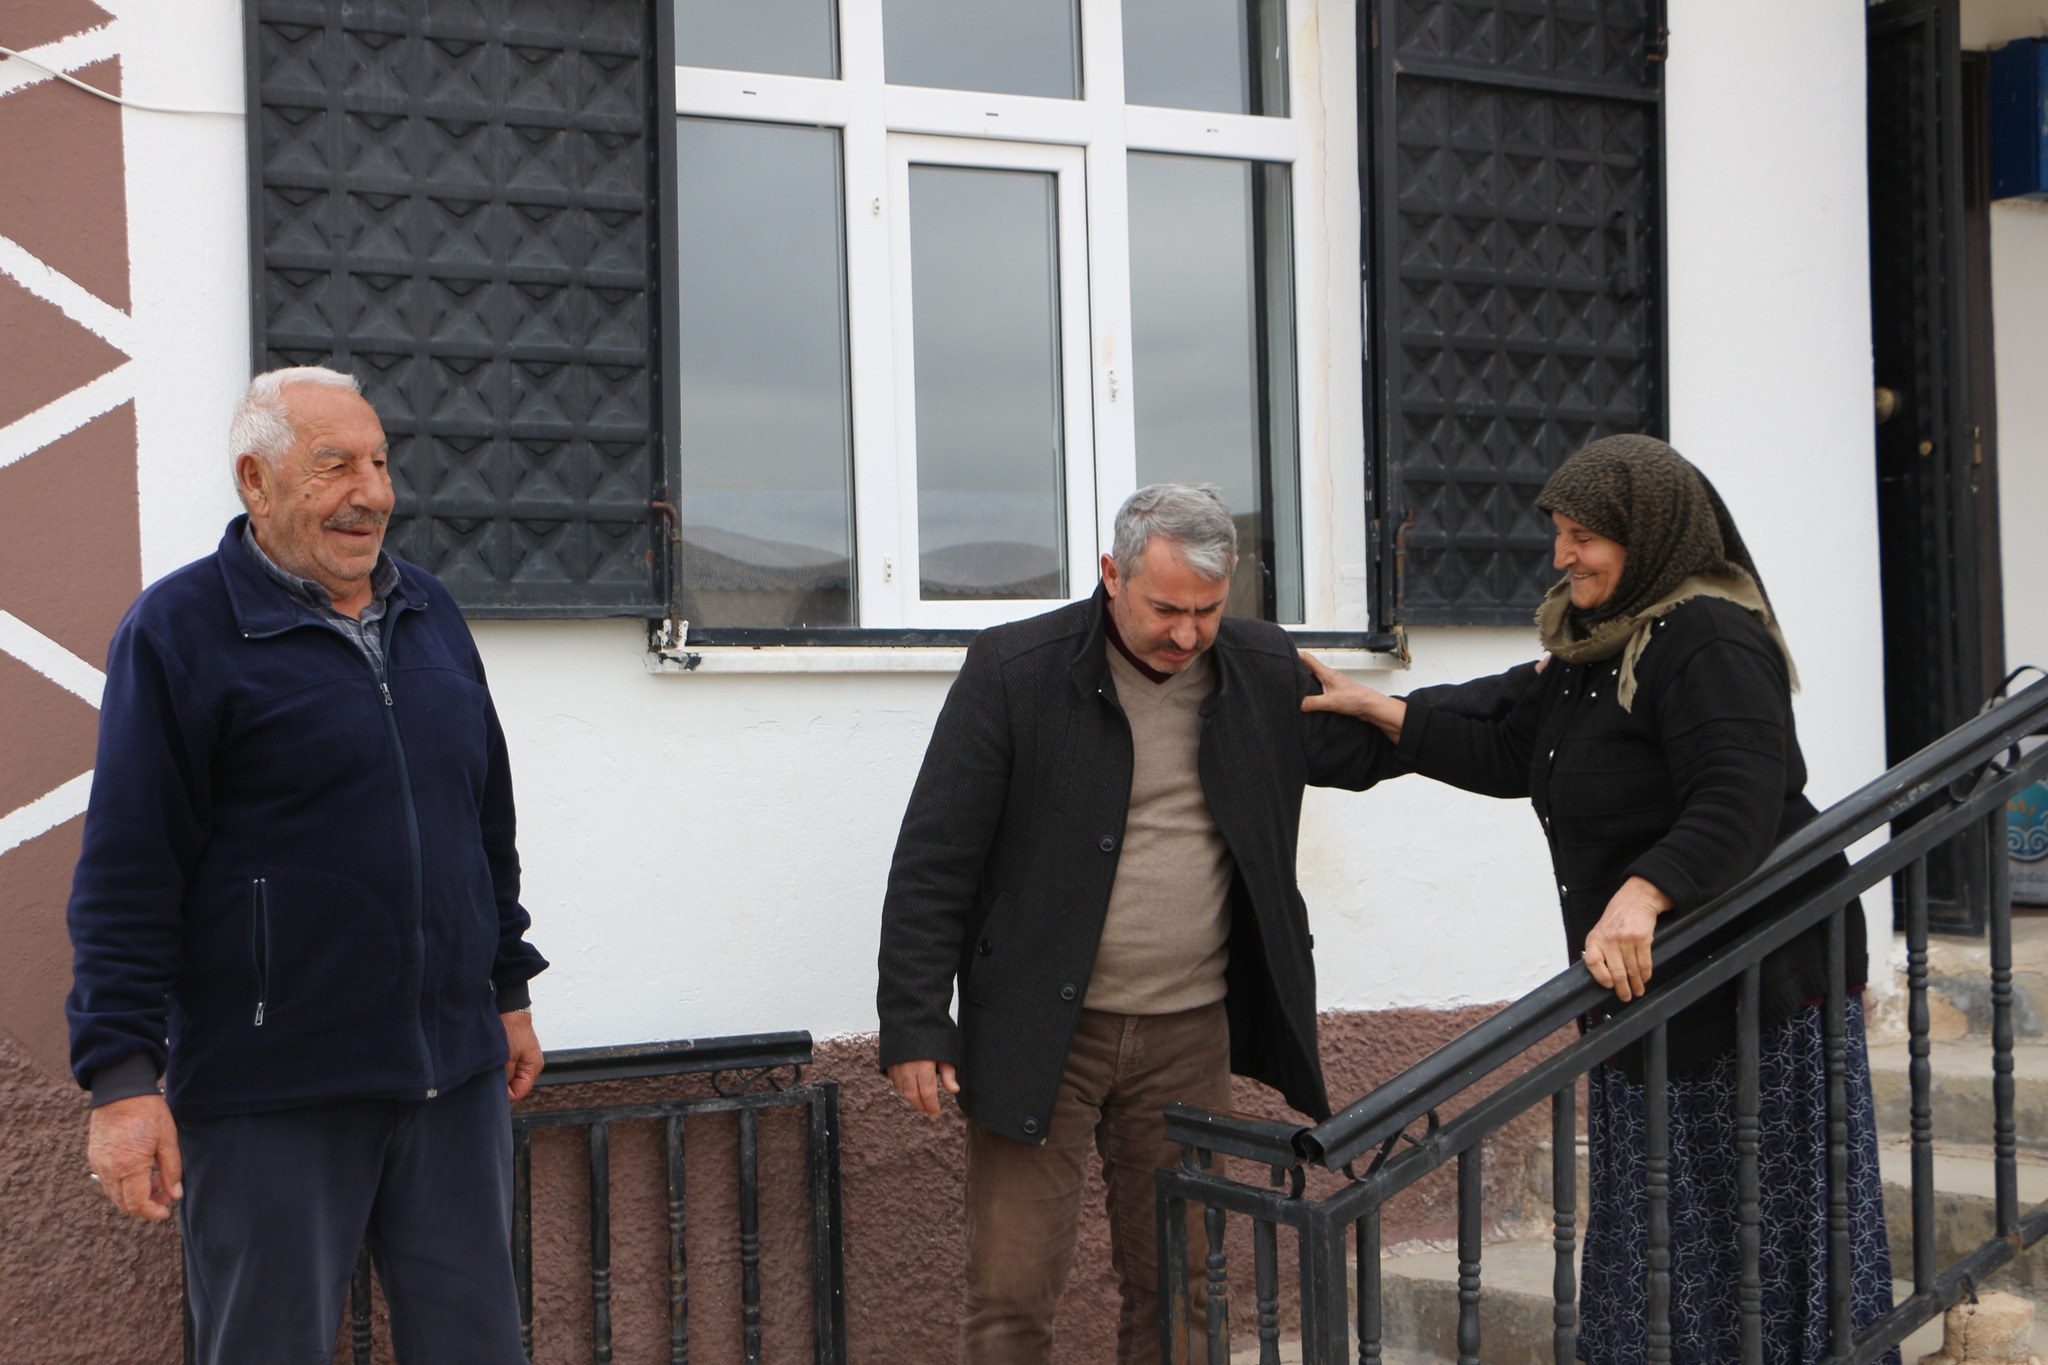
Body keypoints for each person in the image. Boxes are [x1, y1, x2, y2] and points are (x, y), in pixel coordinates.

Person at [1302, 435, 1896, 1365]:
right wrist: (1389, 711)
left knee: (1760, 1235)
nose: (1563, 555)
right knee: (1672, 1241)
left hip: (1761, 992)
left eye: (1584, 536)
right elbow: (1513, 746)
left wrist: (1645, 892)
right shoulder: (1599, 642)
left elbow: (1741, 791)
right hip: (1660, 990)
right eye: (1560, 533)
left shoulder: (1708, 635)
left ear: (1648, 533)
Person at [66, 365, 549, 1364]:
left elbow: (482, 821)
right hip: (270, 1093)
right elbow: (128, 871)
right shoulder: (179, 632)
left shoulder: (431, 612)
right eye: (335, 467)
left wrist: (506, 989)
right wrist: (122, 1079)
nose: (371, 493)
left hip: (450, 1082)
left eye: (379, 463)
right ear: (256, 479)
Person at [877, 483, 1401, 1365]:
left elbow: (1379, 744)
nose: (1188, 635)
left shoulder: (1260, 666)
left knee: (1185, 1290)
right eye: (1166, 609)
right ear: (1112, 574)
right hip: (1039, 1032)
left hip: (1187, 1035)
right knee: (1011, 1296)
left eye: (1208, 610)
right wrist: (915, 1021)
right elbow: (936, 855)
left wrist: (1488, 706)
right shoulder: (1015, 669)